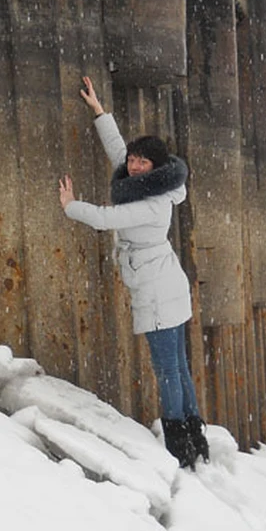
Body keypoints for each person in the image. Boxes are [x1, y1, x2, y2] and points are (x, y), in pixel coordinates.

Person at [58, 76, 209, 469]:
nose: (134, 164)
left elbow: (108, 218)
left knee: (168, 372)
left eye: (143, 161)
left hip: (158, 292)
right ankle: (197, 438)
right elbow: (119, 154)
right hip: (167, 283)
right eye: (136, 159)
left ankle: (179, 442)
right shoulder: (142, 184)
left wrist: (71, 205)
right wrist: (99, 111)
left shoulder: (153, 203)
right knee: (179, 367)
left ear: (157, 170)